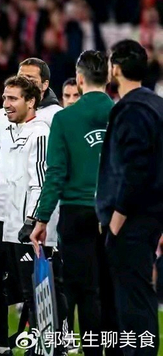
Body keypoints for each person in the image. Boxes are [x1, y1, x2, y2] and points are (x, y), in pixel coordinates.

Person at [30, 51, 114, 356]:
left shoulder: (64, 119)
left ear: (79, 79)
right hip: (116, 214)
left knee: (84, 292)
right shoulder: (120, 114)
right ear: (109, 77)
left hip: (76, 212)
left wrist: (41, 219)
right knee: (112, 290)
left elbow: (55, 174)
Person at [0, 58, 61, 356]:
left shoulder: (43, 129)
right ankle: (1, 345)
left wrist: (34, 218)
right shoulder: (2, 121)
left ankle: (43, 347)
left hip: (25, 222)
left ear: (32, 99)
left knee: (33, 288)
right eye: (5, 98)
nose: (6, 104)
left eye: (12, 99)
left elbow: (41, 179)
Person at [96, 39, 163, 356]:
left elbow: (135, 171)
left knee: (132, 301)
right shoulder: (156, 104)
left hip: (132, 221)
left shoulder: (131, 109)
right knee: (139, 296)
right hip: (150, 216)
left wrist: (116, 222)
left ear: (118, 68)